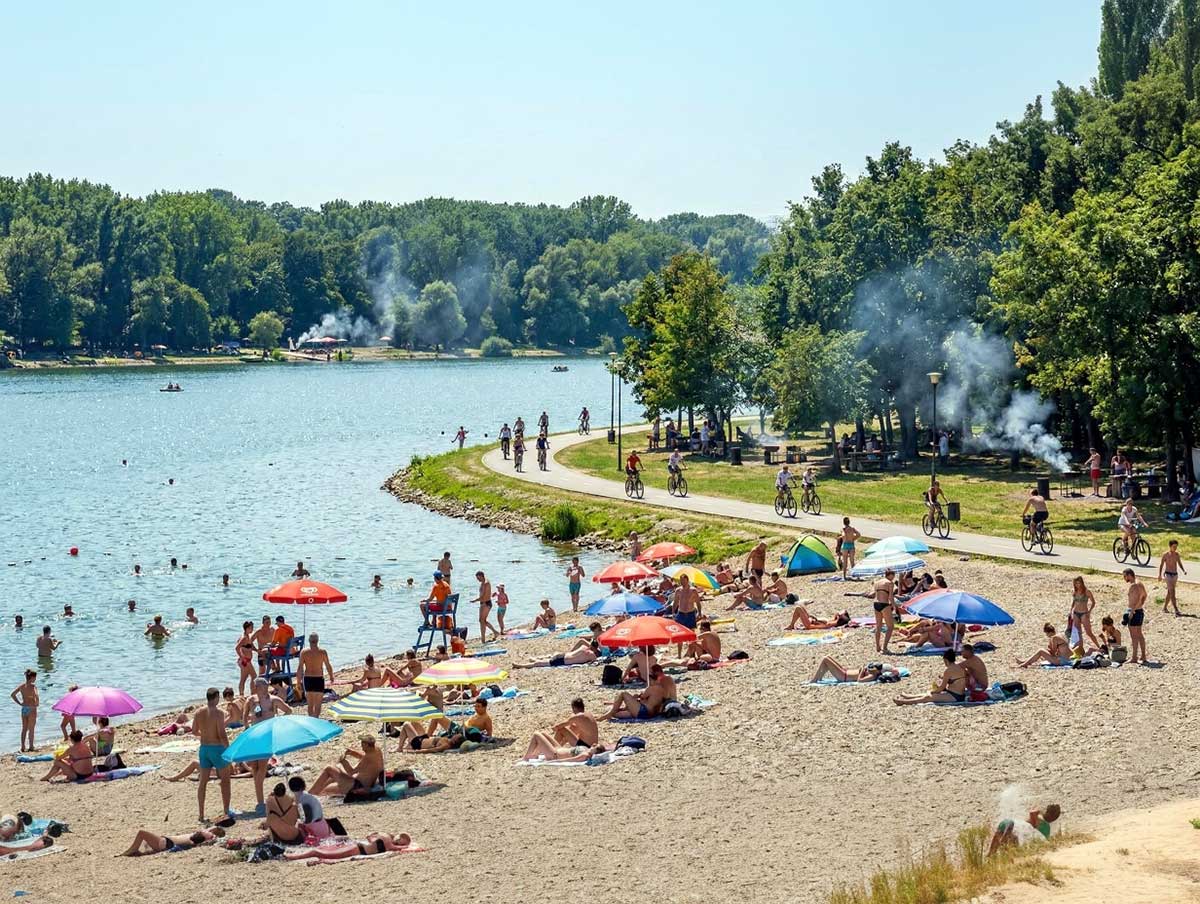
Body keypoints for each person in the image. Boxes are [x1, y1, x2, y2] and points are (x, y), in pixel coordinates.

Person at [192, 687, 233, 823]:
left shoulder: (198, 712)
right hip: (217, 749)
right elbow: (221, 734)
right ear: (216, 697)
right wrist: (229, 749)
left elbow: (194, 731)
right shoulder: (219, 713)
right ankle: (226, 810)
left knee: (203, 782)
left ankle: (201, 814)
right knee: (225, 781)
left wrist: (204, 735)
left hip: (204, 749)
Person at [310, 735, 385, 796]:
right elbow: (363, 757)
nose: (361, 746)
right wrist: (353, 753)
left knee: (329, 769)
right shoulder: (376, 750)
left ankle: (310, 794)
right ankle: (315, 792)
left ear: (366, 745)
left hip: (356, 786)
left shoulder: (367, 758)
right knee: (332, 776)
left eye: (362, 744)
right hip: (365, 783)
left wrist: (343, 762)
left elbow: (351, 772)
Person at [893, 650, 969, 705]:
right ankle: (909, 696)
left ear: (946, 660)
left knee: (929, 697)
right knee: (930, 695)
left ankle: (904, 702)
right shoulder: (960, 667)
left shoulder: (948, 670)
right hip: (959, 694)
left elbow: (942, 688)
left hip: (955, 696)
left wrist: (933, 691)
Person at [283, 832, 413, 861]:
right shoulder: (387, 839)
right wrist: (406, 847)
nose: (400, 844)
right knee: (318, 852)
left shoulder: (382, 835)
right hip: (357, 849)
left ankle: (292, 855)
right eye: (401, 841)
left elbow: (369, 836)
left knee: (324, 852)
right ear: (398, 837)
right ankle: (292, 857)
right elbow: (394, 848)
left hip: (358, 847)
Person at [988, 805, 1061, 856]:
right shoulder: (1045, 827)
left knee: (992, 853)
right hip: (1013, 829)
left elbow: (1032, 812)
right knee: (1009, 853)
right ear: (1054, 818)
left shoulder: (1039, 819)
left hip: (1006, 823)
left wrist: (1040, 811)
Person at [120, 826, 227, 856]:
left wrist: (216, 830)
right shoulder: (202, 836)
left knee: (141, 833)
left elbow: (211, 829)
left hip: (166, 843)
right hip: (167, 843)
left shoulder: (207, 835)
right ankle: (141, 851)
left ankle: (131, 850)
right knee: (147, 842)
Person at [296, 633, 334, 717]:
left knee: (310, 704)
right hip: (318, 679)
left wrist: (298, 682)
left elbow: (300, 668)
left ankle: (311, 720)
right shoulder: (322, 652)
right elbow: (328, 665)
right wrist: (331, 676)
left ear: (309, 641)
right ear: (317, 641)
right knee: (318, 704)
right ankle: (316, 719)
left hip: (308, 679)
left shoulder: (304, 652)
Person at [597, 677, 666, 722]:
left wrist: (637, 697)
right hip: (650, 715)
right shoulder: (662, 689)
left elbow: (642, 698)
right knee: (617, 713)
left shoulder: (652, 688)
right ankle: (610, 713)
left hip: (643, 711)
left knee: (623, 694)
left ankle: (609, 714)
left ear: (652, 679)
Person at [810, 656, 898, 684]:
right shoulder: (872, 672)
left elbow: (860, 681)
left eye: (876, 667)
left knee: (825, 659)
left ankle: (815, 679)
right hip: (844, 671)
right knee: (828, 658)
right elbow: (894, 670)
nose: (873, 667)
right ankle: (819, 678)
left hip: (843, 676)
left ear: (878, 672)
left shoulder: (872, 675)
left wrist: (862, 672)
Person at [1123, 568, 1148, 664]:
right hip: (1139, 611)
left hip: (1134, 612)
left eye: (1125, 576)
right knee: (1139, 634)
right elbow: (1145, 595)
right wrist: (1140, 605)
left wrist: (1132, 611)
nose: (1125, 579)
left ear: (1129, 575)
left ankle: (1134, 657)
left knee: (1134, 636)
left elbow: (1137, 598)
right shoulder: (1140, 583)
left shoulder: (1134, 585)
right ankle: (1143, 656)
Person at [512, 641, 599, 669]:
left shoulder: (584, 647)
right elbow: (594, 663)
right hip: (563, 661)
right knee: (538, 664)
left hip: (563, 655)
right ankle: (520, 665)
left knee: (542, 661)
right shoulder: (592, 655)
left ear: (590, 645)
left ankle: (528, 662)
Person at [1068, 577, 1100, 649]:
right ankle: (1080, 647)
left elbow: (1093, 602)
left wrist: (1089, 612)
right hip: (1076, 613)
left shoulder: (1087, 591)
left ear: (1082, 583)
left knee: (1089, 632)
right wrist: (1071, 610)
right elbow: (1074, 601)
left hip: (1084, 613)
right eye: (1076, 583)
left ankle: (1098, 646)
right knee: (1079, 632)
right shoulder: (1075, 591)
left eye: (1079, 583)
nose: (1077, 585)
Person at [11, 670, 38, 752]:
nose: (35, 679)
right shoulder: (33, 687)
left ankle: (22, 746)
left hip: (24, 708)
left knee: (24, 728)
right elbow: (36, 696)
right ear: (32, 677)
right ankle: (31, 746)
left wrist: (20, 703)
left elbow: (13, 695)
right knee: (31, 729)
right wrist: (36, 703)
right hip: (32, 708)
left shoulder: (22, 686)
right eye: (35, 677)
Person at [872, 569, 897, 654]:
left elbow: (874, 594)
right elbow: (890, 597)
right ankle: (885, 647)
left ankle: (877, 646)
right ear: (891, 575)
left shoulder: (877, 582)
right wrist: (894, 607)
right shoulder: (890, 583)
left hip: (876, 604)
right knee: (890, 626)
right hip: (884, 604)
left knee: (878, 626)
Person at [1158, 540, 1186, 616]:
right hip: (1168, 575)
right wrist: (1159, 575)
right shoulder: (1165, 555)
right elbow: (1161, 565)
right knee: (1172, 591)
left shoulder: (1177, 555)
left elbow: (1179, 563)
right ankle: (1176, 609)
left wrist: (1183, 570)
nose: (1175, 548)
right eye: (1174, 547)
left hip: (1175, 575)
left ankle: (1164, 608)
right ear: (1170, 546)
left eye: (1176, 547)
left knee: (1170, 592)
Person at [470, 570, 499, 643]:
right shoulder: (483, 582)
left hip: (486, 603)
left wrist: (475, 600)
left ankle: (490, 635)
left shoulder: (486, 583)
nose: (478, 580)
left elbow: (483, 596)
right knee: (482, 621)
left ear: (482, 576)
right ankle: (485, 637)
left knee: (482, 620)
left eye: (478, 578)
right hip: (483, 603)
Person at [236, 621, 257, 695]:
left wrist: (257, 651)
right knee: (253, 676)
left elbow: (251, 646)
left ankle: (243, 694)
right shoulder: (244, 638)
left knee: (245, 678)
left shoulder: (248, 636)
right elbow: (237, 648)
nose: (252, 629)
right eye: (251, 628)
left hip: (247, 660)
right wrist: (242, 657)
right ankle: (251, 693)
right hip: (245, 661)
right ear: (247, 628)